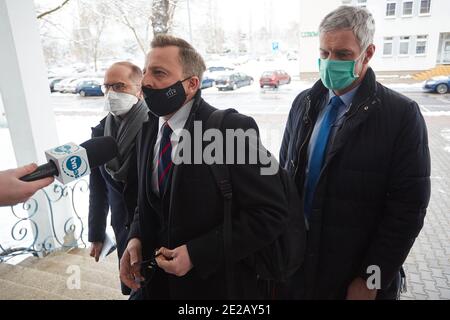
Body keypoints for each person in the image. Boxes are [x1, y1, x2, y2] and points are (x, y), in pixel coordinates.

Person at [119, 35, 289, 300]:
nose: (146, 82)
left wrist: (197, 254)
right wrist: (135, 238)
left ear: (191, 84)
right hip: (156, 286)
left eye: (159, 73)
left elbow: (271, 212)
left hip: (213, 288)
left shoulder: (230, 130)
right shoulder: (148, 129)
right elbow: (149, 202)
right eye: (145, 72)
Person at [280, 6, 430, 300]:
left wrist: (371, 279)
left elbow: (408, 210)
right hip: (298, 267)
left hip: (353, 277)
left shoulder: (401, 115)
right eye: (324, 53)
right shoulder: (303, 104)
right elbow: (285, 179)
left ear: (368, 53)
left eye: (343, 55)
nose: (330, 62)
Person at [88, 61, 148, 296]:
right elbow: (98, 186)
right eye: (107, 87)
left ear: (139, 89)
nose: (111, 93)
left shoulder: (155, 128)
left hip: (152, 228)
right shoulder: (100, 132)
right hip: (122, 227)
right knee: (133, 284)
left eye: (119, 86)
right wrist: (96, 233)